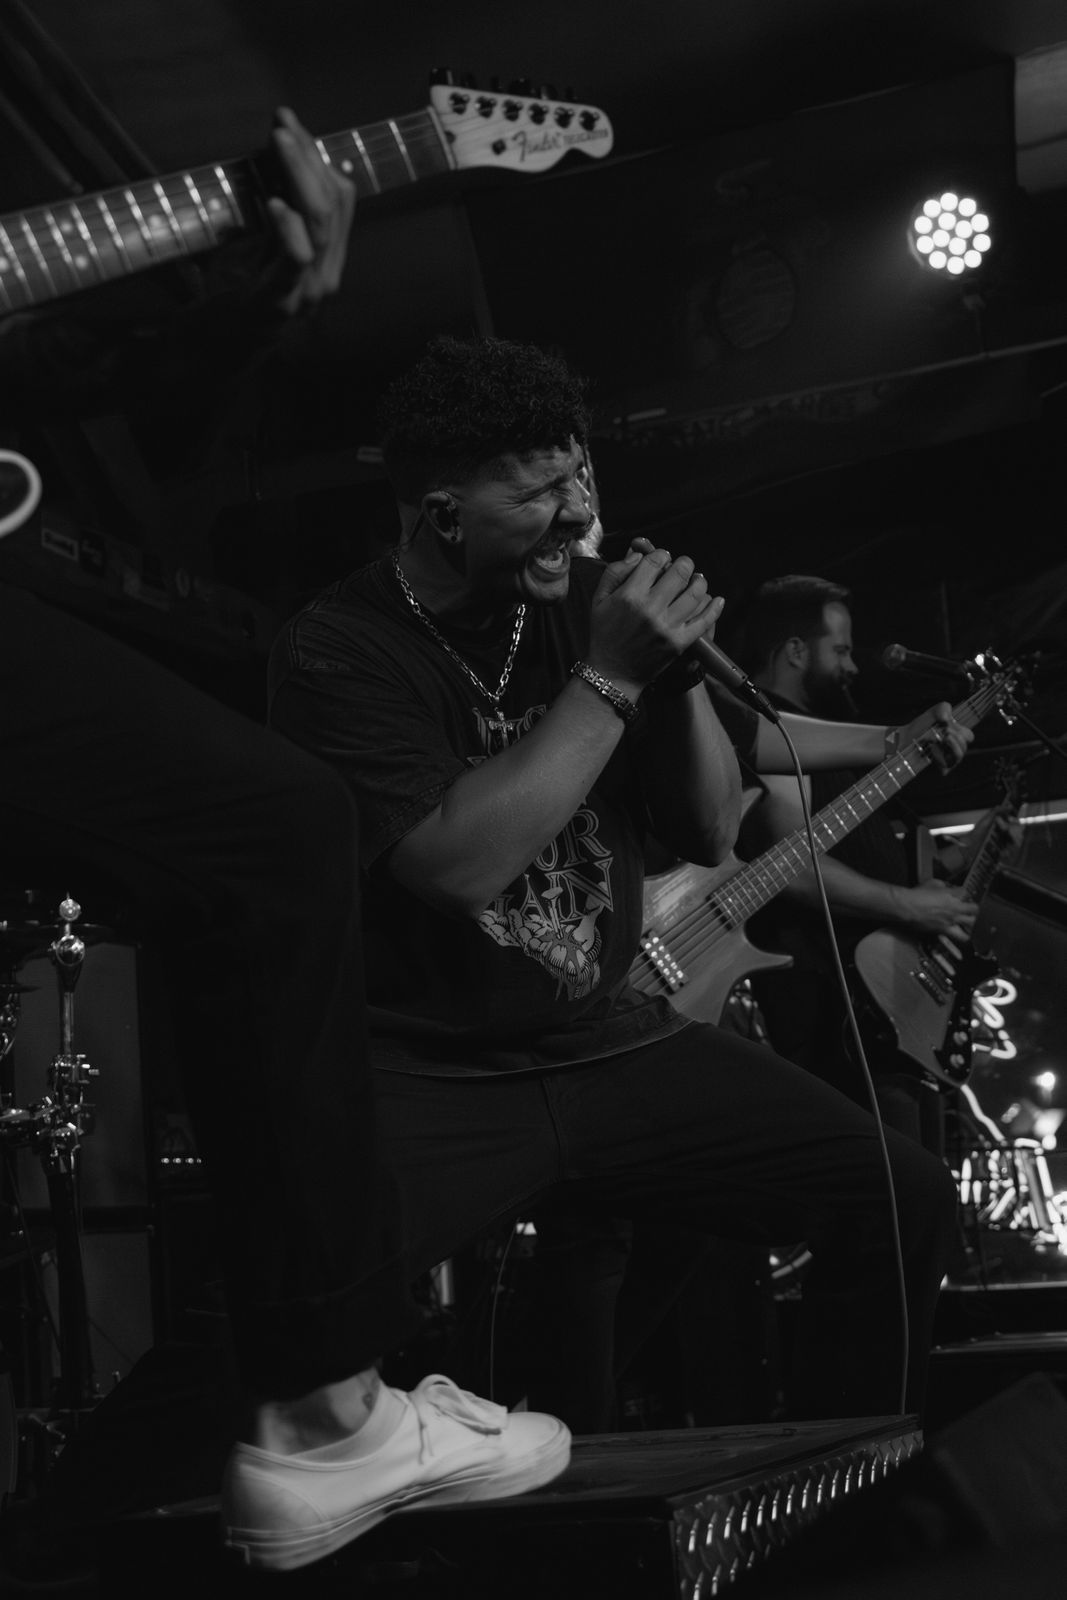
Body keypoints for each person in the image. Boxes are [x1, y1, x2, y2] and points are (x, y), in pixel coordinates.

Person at [0, 112, 570, 1584]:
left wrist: (238, 297)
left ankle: (323, 1409)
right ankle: (323, 1414)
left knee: (266, 830)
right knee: (273, 828)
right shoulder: (350, 642)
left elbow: (50, 366)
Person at [267, 331, 961, 1444]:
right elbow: (457, 865)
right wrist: (613, 673)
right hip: (439, 1069)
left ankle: (846, 1502)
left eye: (582, 477)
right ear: (444, 514)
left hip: (612, 1038)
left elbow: (705, 824)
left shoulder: (586, 603)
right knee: (268, 1324)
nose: (578, 514)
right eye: (540, 493)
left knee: (900, 1197)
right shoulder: (339, 649)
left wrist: (673, 674)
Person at [731, 573, 982, 1149]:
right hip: (837, 1018)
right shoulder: (772, 732)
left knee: (919, 1183)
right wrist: (909, 906)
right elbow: (789, 866)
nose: (852, 667)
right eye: (840, 650)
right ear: (796, 651)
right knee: (892, 1186)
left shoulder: (827, 748)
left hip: (884, 1014)